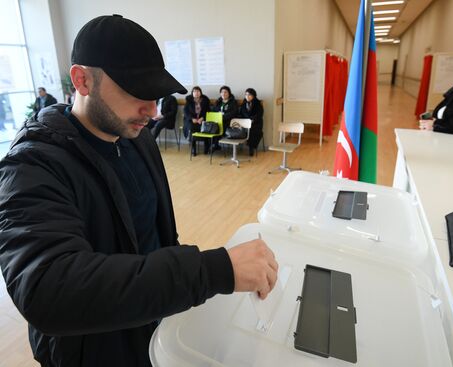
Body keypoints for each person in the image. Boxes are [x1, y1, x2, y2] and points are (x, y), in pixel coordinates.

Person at [0, 14, 278, 367]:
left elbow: (158, 237)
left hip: (153, 326)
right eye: (134, 92)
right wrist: (212, 271)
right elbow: (48, 290)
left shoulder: (138, 137)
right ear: (82, 80)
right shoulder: (31, 167)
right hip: (95, 351)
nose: (151, 110)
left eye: (154, 94)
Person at [183, 86, 210, 155]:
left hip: (202, 119)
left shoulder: (205, 100)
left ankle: (206, 147)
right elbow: (186, 112)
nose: (196, 93)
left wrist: (202, 118)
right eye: (194, 91)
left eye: (198, 91)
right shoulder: (189, 100)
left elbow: (208, 111)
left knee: (206, 127)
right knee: (191, 128)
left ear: (200, 92)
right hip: (191, 120)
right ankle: (193, 148)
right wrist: (192, 119)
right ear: (192, 93)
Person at [212, 85, 239, 150]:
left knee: (218, 127)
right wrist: (217, 116)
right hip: (218, 121)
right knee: (212, 126)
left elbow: (234, 113)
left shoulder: (233, 102)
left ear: (229, 93)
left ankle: (215, 145)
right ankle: (214, 145)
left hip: (228, 121)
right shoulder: (218, 102)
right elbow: (213, 111)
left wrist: (223, 117)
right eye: (222, 92)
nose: (223, 94)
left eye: (225, 92)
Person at [239, 88, 264, 156]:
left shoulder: (258, 103)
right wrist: (244, 121)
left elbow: (259, 114)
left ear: (253, 95)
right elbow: (241, 114)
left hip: (255, 122)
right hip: (245, 122)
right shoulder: (244, 104)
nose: (247, 96)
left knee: (253, 131)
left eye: (249, 95)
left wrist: (251, 120)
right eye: (246, 94)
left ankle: (251, 147)